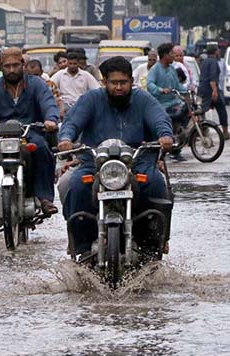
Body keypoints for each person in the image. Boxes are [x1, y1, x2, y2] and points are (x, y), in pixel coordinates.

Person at [58, 56, 174, 255]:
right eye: (114, 83)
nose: (118, 87)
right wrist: (66, 138)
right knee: (75, 185)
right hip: (95, 162)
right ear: (104, 82)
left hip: (137, 161)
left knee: (156, 182)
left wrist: (165, 136)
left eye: (123, 82)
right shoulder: (91, 99)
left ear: (131, 81)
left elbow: (159, 118)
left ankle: (156, 239)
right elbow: (72, 122)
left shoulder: (143, 99)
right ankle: (80, 243)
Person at [0, 47, 60, 220]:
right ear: (1, 67)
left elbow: (48, 104)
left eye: (15, 65)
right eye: (7, 66)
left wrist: (51, 120)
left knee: (41, 148)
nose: (11, 70)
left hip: (29, 132)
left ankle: (45, 198)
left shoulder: (36, 84)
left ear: (23, 65)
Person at [198, 43, 230, 140]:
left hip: (202, 89)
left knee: (201, 110)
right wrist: (214, 91)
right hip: (210, 89)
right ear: (216, 51)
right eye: (218, 50)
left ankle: (200, 131)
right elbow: (212, 78)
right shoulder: (213, 62)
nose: (219, 52)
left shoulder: (204, 61)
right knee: (221, 110)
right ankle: (225, 133)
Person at [50, 51, 99, 117]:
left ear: (78, 64)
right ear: (67, 63)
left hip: (81, 105)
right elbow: (49, 85)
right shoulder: (60, 74)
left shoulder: (85, 75)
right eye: (70, 63)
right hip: (64, 105)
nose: (72, 66)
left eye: (74, 64)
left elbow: (97, 89)